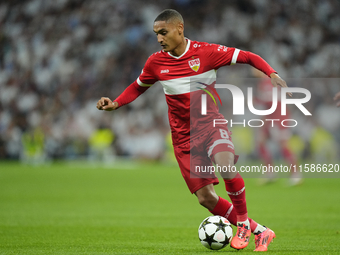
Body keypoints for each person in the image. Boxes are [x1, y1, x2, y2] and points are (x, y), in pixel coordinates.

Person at [97, 9, 289, 251]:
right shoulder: (156, 62)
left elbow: (248, 56)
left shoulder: (207, 53)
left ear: (180, 28)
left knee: (226, 166)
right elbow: (137, 87)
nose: (159, 39)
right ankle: (260, 231)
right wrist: (116, 102)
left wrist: (271, 73)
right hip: (183, 138)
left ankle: (242, 224)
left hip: (211, 125)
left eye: (163, 32)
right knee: (205, 198)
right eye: (156, 34)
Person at [253, 69, 302, 186]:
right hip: (270, 117)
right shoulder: (263, 82)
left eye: (254, 68)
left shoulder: (268, 81)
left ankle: (296, 175)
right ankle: (270, 173)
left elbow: (271, 100)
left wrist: (256, 100)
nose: (252, 71)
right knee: (260, 142)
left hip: (279, 117)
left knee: (283, 145)